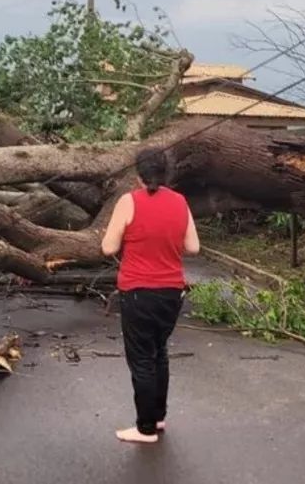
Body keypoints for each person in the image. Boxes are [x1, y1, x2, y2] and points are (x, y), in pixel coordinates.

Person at [100, 148, 201, 444]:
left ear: (138, 174)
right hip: (172, 293)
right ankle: (157, 417)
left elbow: (108, 247)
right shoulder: (180, 201)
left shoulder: (128, 201)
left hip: (138, 293)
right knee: (160, 354)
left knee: (142, 360)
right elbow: (193, 246)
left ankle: (145, 429)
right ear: (167, 172)